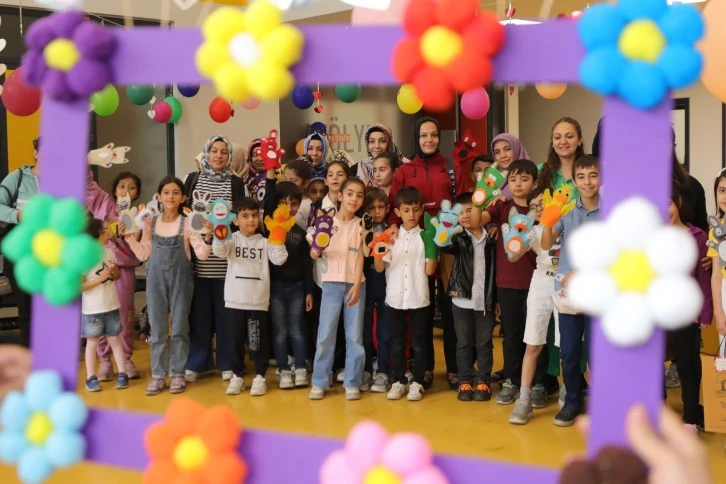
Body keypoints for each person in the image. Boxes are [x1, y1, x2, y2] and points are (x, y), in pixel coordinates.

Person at [387, 117, 456, 388]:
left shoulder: (449, 166)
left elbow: (461, 199)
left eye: (434, 135)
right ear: (416, 138)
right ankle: (423, 368)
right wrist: (394, 227)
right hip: (416, 245)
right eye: (424, 135)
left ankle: (455, 368)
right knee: (422, 310)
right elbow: (395, 205)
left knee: (451, 308)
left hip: (447, 244)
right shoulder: (405, 171)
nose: (429, 139)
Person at [125, 176, 211, 396]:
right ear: (159, 197)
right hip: (155, 281)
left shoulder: (188, 222)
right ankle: (158, 375)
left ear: (183, 198)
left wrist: (209, 236)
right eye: (166, 192)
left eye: (175, 192)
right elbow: (144, 254)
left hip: (182, 281)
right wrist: (129, 239)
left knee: (180, 328)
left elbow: (201, 254)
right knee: (158, 329)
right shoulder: (150, 223)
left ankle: (178, 373)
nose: (170, 196)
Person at [471, 159, 539, 405]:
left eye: (524, 179)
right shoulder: (501, 206)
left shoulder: (540, 209)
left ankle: (537, 383)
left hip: (536, 283)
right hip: (507, 283)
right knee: (511, 335)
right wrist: (479, 199)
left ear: (535, 183)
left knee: (535, 336)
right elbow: (476, 222)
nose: (518, 184)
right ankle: (511, 379)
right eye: (513, 179)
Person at [541, 154, 601, 426]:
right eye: (581, 177)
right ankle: (573, 401)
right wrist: (547, 219)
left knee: (598, 352)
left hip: (600, 293)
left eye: (593, 176)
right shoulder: (566, 211)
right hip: (569, 295)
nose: (587, 182)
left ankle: (602, 401)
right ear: (574, 181)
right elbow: (546, 244)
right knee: (569, 351)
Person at [182, 136, 247, 384]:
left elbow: (241, 218)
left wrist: (222, 226)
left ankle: (228, 363)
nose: (218, 156)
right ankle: (198, 362)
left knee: (227, 317)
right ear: (206, 154)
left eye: (223, 152)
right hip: (198, 262)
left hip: (226, 262)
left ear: (229, 156)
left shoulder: (236, 183)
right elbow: (185, 215)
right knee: (199, 317)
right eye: (214, 151)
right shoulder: (192, 179)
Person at [213, 197, 288, 396]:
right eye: (245, 216)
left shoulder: (265, 242)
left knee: (257, 342)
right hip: (234, 300)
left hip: (257, 301)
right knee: (234, 341)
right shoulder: (232, 239)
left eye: (254, 215)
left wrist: (278, 236)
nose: (251, 220)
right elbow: (219, 251)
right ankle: (237, 375)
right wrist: (219, 231)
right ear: (236, 220)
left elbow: (279, 259)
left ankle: (260, 376)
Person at [375, 187, 438, 401]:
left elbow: (429, 271)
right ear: (397, 212)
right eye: (406, 210)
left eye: (415, 210)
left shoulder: (425, 237)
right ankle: (398, 380)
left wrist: (433, 248)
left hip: (419, 297)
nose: (411, 215)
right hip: (395, 298)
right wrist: (379, 246)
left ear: (422, 211)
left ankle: (418, 381)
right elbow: (379, 268)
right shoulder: (391, 236)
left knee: (420, 342)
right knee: (397, 342)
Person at [309, 179, 366, 401]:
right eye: (350, 193)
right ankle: (319, 380)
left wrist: (357, 285)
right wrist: (316, 248)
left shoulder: (362, 225)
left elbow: (361, 255)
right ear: (340, 196)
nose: (354, 199)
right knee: (325, 334)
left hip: (355, 285)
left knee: (355, 336)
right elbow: (314, 252)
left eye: (359, 195)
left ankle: (352, 381)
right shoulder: (325, 221)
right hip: (331, 284)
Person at [509, 188, 561, 424]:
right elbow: (513, 256)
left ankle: (567, 393)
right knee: (533, 343)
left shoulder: (566, 224)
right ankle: (524, 399)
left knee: (566, 345)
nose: (539, 209)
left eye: (543, 203)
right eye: (534, 206)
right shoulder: (532, 230)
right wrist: (515, 239)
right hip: (541, 282)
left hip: (565, 282)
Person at [442, 192, 494, 402]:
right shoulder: (458, 237)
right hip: (461, 299)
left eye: (470, 211)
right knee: (463, 342)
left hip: (486, 300)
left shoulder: (492, 237)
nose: (465, 216)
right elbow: (444, 245)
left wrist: (496, 299)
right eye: (460, 212)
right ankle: (465, 379)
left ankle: (483, 380)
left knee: (484, 343)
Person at [263, 176, 314, 389]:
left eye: (294, 203)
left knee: (297, 329)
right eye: (284, 203)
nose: (289, 208)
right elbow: (267, 200)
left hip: (296, 288)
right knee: (280, 331)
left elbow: (307, 265)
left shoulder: (300, 233)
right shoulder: (268, 229)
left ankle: (300, 367)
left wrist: (309, 291)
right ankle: (283, 369)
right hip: (275, 287)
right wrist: (270, 176)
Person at [667, 184, 711, 431]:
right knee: (652, 366)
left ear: (679, 202)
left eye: (668, 204)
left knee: (687, 365)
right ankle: (658, 416)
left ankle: (691, 418)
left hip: (686, 313)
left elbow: (703, 278)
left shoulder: (697, 237)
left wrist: (705, 311)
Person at [97, 172, 143, 381]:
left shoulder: (139, 214)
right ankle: (105, 360)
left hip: (125, 269)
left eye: (131, 187)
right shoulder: (105, 206)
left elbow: (139, 245)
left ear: (137, 193)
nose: (126, 191)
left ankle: (126, 359)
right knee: (101, 312)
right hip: (103, 268)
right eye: (122, 186)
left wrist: (132, 232)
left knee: (125, 316)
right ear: (114, 190)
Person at [0, 137, 40, 347]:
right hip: (21, 253)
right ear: (36, 153)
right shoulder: (18, 177)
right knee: (27, 308)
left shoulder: (62, 181)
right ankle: (31, 354)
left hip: (50, 253)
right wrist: (18, 215)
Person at [81, 219, 129, 392]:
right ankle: (90, 377)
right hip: (93, 308)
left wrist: (114, 270)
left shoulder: (108, 252)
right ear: (98, 234)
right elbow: (80, 285)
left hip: (111, 305)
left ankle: (122, 373)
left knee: (115, 339)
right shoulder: (84, 257)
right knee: (92, 342)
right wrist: (99, 279)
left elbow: (116, 276)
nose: (108, 233)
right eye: (105, 230)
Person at [362, 188, 391, 393]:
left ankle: (383, 371)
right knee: (363, 330)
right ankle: (364, 369)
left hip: (386, 286)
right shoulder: (361, 229)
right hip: (365, 285)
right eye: (372, 208)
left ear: (388, 208)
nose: (377, 211)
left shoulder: (392, 231)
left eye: (381, 207)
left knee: (384, 331)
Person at [536, 117, 586, 198]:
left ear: (579, 140)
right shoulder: (538, 171)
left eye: (569, 136)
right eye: (557, 137)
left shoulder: (593, 171)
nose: (563, 142)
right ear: (552, 143)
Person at [282, 158, 313, 229]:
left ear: (306, 183)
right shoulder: (281, 199)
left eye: (293, 181)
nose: (287, 183)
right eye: (285, 179)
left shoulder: (309, 206)